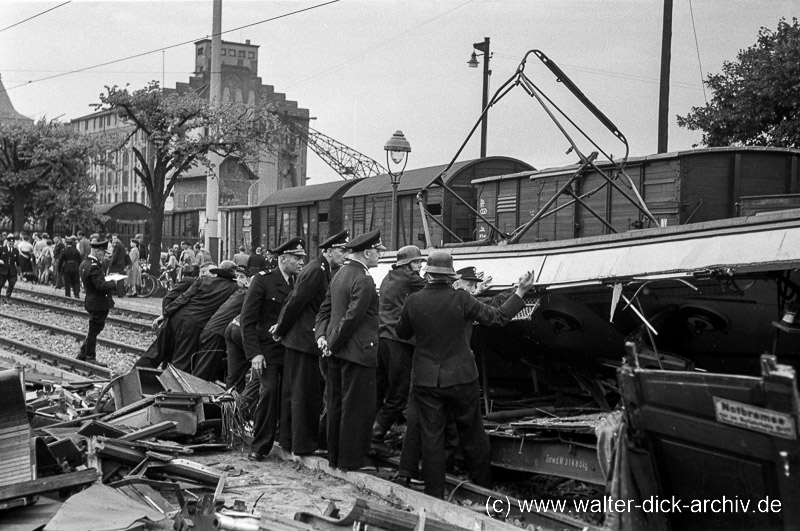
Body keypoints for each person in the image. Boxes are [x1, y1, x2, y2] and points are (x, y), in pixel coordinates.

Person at [396, 250, 536, 498]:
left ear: (427, 275)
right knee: (472, 432)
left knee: (432, 436)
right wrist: (520, 292)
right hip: (461, 377)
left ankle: (434, 492)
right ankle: (483, 487)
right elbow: (497, 317)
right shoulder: (461, 298)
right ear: (451, 276)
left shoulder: (413, 301)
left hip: (427, 379)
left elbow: (402, 333)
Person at [271, 230, 349, 456]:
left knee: (295, 393)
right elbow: (295, 302)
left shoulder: (321, 269)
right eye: (341, 250)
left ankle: (290, 440)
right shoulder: (317, 271)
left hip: (300, 340)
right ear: (328, 251)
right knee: (304, 394)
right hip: (303, 341)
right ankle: (303, 445)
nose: (344, 255)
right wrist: (281, 329)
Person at [315, 229, 384, 471]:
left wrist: (325, 340)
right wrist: (332, 343)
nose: (379, 255)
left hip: (337, 353)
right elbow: (353, 317)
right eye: (377, 251)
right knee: (357, 409)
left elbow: (327, 310)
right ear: (367, 252)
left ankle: (335, 457)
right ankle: (352, 460)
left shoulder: (340, 274)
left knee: (336, 405)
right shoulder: (364, 280)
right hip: (356, 353)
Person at [241, 237, 306, 461]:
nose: (300, 262)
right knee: (268, 393)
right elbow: (248, 321)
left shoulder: (299, 281)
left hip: (290, 349)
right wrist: (254, 354)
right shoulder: (262, 281)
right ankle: (260, 446)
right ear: (283, 258)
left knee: (290, 394)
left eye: (302, 258)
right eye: (296, 258)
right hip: (266, 350)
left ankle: (286, 440)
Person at [136, 260, 241, 372]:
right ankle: (171, 387)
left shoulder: (203, 280)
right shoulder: (234, 289)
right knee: (181, 363)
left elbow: (183, 298)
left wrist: (164, 315)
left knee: (155, 351)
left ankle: (131, 379)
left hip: (176, 317)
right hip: (194, 325)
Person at [373, 245, 426, 443]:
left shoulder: (388, 277)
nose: (420, 265)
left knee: (380, 389)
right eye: (416, 262)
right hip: (399, 341)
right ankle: (376, 433)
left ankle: (368, 431)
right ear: (406, 264)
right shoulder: (409, 277)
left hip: (382, 339)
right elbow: (436, 287)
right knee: (399, 392)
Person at [192, 265, 250, 382]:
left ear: (247, 280)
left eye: (242, 277)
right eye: (237, 276)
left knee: (207, 370)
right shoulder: (244, 294)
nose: (238, 279)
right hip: (216, 334)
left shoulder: (238, 293)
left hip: (212, 331)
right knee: (203, 374)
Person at [78, 240, 119, 365]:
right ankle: (90, 356)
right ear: (96, 251)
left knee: (95, 328)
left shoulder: (84, 263)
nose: (104, 255)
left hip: (91, 300)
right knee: (93, 330)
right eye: (102, 252)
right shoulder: (94, 266)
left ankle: (83, 352)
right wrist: (113, 282)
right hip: (98, 302)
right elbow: (100, 286)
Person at [0, 234, 21, 303]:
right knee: (0, 283)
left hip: (12, 271)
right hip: (2, 270)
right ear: (7, 242)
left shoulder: (16, 251)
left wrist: (19, 270)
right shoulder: (2, 249)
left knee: (12, 284)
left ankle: (7, 298)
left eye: (12, 243)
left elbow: (18, 262)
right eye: (10, 243)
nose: (11, 244)